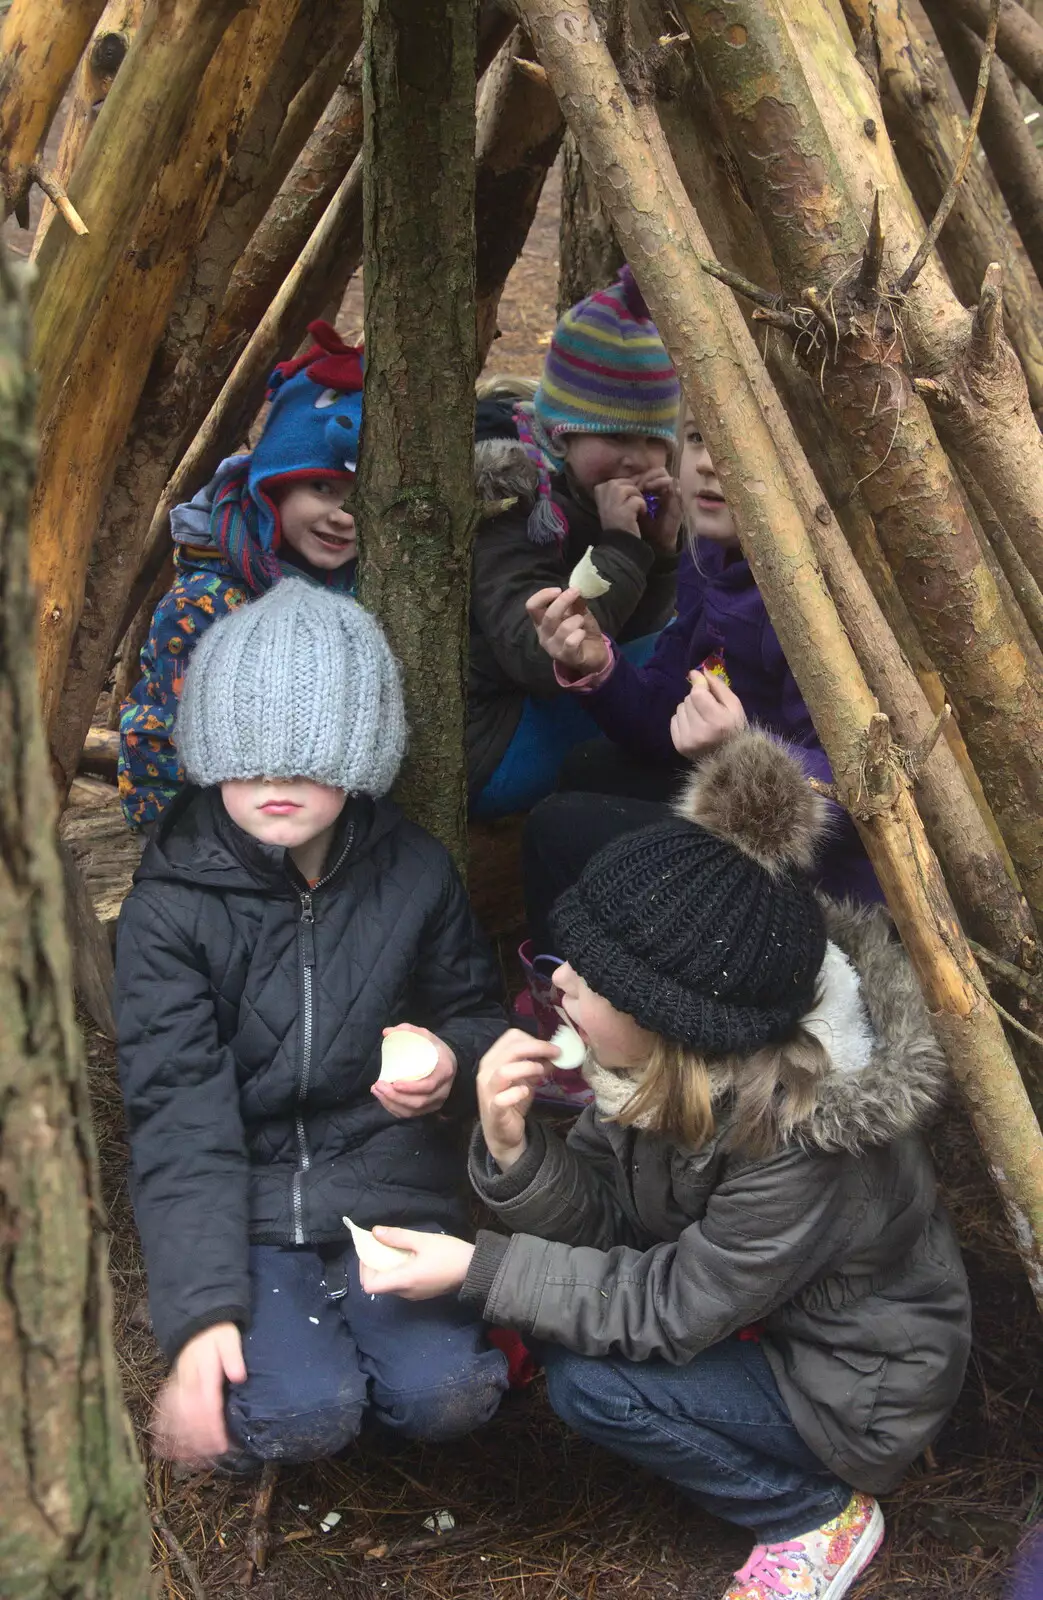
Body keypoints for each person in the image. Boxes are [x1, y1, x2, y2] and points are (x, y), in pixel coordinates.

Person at [355, 730, 971, 1600]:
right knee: (557, 1310)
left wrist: (479, 1267)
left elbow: (666, 1306)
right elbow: (615, 1221)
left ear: (671, 1019)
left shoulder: (799, 1148)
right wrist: (513, 1150)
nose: (558, 983)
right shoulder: (654, 1074)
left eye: (590, 980)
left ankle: (810, 1512)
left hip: (851, 1389)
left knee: (591, 1382)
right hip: (758, 1319)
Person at [114, 581, 510, 1468]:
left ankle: (365, 1338)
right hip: (245, 1205)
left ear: (361, 757)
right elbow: (179, 1115)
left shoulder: (413, 871)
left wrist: (451, 1056)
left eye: (308, 759)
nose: (277, 784)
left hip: (387, 1187)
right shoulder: (169, 907)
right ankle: (279, 1343)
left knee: (448, 1394)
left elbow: (480, 1017)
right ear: (211, 754)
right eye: (248, 758)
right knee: (304, 1417)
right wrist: (201, 1309)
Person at [520, 410, 880, 951]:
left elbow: (861, 803)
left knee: (556, 830)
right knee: (587, 766)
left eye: (738, 442)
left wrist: (742, 752)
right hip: (734, 797)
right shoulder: (710, 555)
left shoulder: (822, 605)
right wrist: (601, 667)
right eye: (696, 438)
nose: (709, 463)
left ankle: (575, 991)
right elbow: (669, 713)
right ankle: (607, 969)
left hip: (816, 878)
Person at [119, 320, 364, 831]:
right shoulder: (209, 603)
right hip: (205, 828)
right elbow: (166, 732)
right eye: (321, 487)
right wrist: (179, 837)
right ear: (269, 488)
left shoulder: (363, 587)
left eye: (360, 498)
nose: (344, 516)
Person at [468, 265, 683, 819]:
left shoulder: (589, 495)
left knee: (680, 651)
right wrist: (622, 549)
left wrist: (655, 556)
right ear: (563, 433)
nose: (637, 459)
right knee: (686, 664)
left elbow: (624, 629)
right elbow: (541, 656)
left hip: (529, 713)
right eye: (613, 436)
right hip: (491, 744)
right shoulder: (514, 500)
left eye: (651, 441)